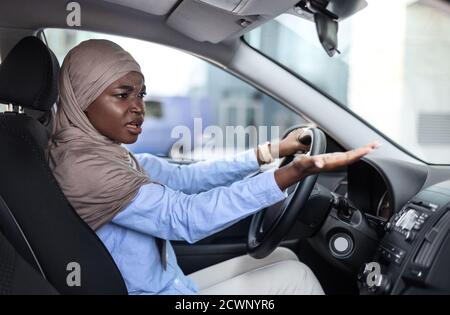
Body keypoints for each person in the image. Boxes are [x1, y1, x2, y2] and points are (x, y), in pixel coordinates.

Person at [48, 39, 379, 295]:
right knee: (297, 279)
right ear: (83, 97)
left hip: (166, 284)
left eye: (141, 94)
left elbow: (187, 178)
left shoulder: (105, 151)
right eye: (123, 95)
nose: (139, 108)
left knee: (285, 258)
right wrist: (289, 174)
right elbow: (188, 217)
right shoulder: (86, 167)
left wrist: (270, 152)